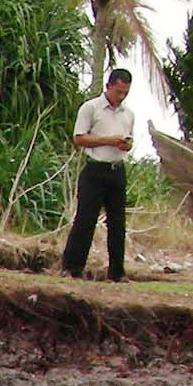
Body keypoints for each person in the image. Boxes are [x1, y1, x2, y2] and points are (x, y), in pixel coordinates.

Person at [61, 68, 136, 281]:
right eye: (118, 92)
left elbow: (128, 142)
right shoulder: (91, 108)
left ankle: (117, 272)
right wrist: (107, 140)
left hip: (116, 169)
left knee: (117, 222)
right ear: (108, 87)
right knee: (85, 219)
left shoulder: (128, 114)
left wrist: (125, 145)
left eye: (125, 93)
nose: (121, 97)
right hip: (95, 169)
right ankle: (72, 267)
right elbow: (79, 138)